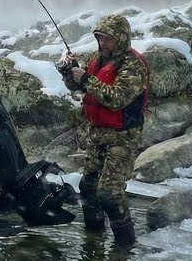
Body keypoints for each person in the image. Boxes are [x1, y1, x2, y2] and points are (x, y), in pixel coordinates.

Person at [60, 14, 150, 248]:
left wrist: (87, 79)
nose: (102, 43)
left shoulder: (134, 65)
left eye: (107, 39)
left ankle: (125, 245)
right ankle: (93, 239)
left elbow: (118, 98)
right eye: (100, 38)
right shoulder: (97, 59)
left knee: (109, 192)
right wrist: (69, 72)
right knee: (88, 188)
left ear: (120, 39)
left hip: (123, 138)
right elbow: (79, 85)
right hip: (97, 135)